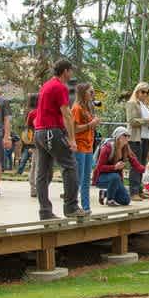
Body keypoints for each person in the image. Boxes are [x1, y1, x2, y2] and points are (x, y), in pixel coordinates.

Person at [35, 60, 89, 220]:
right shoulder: (60, 87)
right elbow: (67, 114)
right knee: (70, 166)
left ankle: (45, 211)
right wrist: (72, 139)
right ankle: (71, 207)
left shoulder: (47, 85)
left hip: (40, 132)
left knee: (43, 173)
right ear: (65, 71)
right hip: (52, 131)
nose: (71, 74)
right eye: (70, 71)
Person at [93, 127, 146, 206]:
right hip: (101, 178)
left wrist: (148, 170)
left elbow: (136, 164)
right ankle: (110, 200)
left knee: (126, 200)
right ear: (118, 136)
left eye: (128, 136)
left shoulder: (126, 148)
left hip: (116, 180)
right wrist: (114, 167)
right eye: (125, 135)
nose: (127, 138)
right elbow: (99, 168)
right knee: (115, 176)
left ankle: (104, 193)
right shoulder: (107, 148)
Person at [126, 82, 149, 201]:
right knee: (135, 165)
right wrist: (147, 120)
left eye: (147, 92)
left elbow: (145, 122)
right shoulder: (132, 103)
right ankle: (133, 192)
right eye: (143, 91)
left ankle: (139, 190)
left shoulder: (145, 105)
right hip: (135, 139)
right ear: (137, 91)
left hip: (146, 137)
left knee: (141, 166)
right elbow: (132, 121)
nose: (145, 94)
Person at [71, 83, 99, 212]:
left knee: (87, 179)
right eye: (90, 92)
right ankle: (73, 205)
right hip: (80, 146)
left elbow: (90, 125)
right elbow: (74, 129)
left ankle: (86, 207)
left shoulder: (88, 108)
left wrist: (94, 124)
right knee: (78, 178)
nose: (92, 95)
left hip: (88, 146)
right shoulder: (76, 108)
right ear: (83, 93)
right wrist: (90, 125)